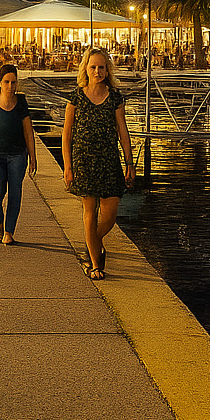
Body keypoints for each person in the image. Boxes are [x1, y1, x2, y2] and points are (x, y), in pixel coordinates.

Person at [61, 47, 134, 281]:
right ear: (86, 69)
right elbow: (67, 134)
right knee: (89, 212)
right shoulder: (76, 97)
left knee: (110, 214)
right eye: (93, 67)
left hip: (109, 160)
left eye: (101, 67)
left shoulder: (114, 98)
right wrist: (68, 166)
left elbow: (123, 131)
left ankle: (93, 241)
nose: (97, 71)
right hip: (83, 160)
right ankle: (95, 263)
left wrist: (129, 162)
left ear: (107, 69)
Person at [0, 64, 38, 245]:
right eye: (6, 82)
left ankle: (9, 231)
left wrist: (33, 157)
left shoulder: (21, 103)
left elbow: (28, 132)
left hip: (18, 156)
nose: (10, 86)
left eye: (13, 82)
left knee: (15, 193)